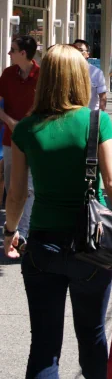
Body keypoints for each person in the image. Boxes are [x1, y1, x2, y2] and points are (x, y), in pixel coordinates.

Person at [2, 44, 112, 379]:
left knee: (43, 343)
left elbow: (16, 194)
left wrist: (10, 233)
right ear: (79, 79)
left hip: (42, 246)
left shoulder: (25, 128)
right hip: (92, 249)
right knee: (92, 335)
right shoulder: (96, 121)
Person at [0, 35, 40, 248]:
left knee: (31, 187)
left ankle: (22, 232)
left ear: (23, 53)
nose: (9, 53)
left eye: (12, 50)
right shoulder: (7, 74)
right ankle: (13, 227)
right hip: (10, 140)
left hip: (35, 140)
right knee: (13, 188)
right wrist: (10, 121)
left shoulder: (42, 76)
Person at [73, 39, 107, 111]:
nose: (77, 52)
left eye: (81, 50)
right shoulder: (66, 70)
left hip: (90, 116)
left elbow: (103, 97)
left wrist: (99, 117)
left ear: (87, 54)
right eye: (75, 49)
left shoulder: (97, 73)